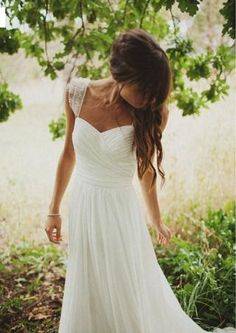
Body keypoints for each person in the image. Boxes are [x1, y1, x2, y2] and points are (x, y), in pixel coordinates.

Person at [45, 28, 235, 333]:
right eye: (144, 89)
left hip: (120, 211)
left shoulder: (154, 113)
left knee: (123, 286)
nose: (151, 99)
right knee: (89, 280)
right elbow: (68, 153)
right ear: (122, 74)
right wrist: (53, 209)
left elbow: (145, 171)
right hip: (84, 203)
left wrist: (156, 219)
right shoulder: (76, 93)